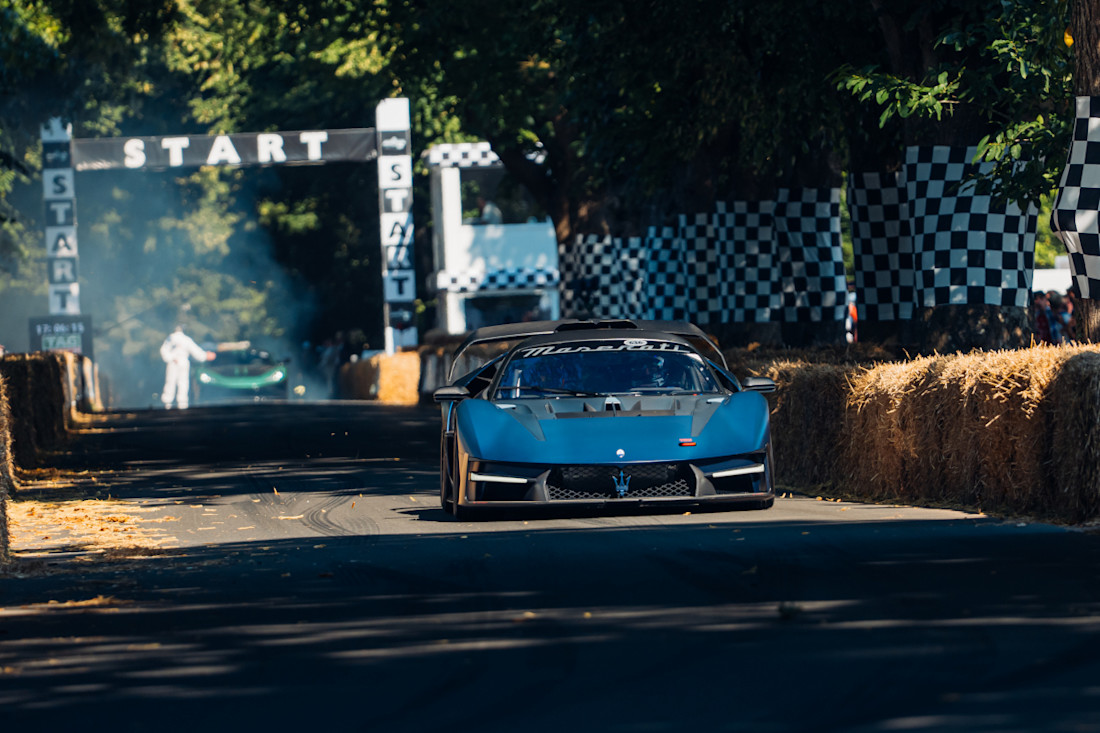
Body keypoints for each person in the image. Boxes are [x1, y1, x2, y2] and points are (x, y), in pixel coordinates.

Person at [160, 324, 214, 409]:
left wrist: (205, 356)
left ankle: (175, 405)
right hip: (176, 362)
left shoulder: (173, 338)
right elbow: (196, 352)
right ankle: (175, 405)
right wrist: (205, 356)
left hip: (177, 362)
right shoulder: (180, 339)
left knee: (177, 383)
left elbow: (164, 350)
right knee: (178, 383)